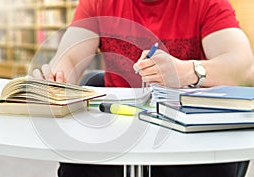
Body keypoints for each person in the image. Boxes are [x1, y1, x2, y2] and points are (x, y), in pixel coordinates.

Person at [33, 0, 254, 176]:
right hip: (116, 129)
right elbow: (71, 57)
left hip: (187, 135)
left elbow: (244, 67)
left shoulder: (207, 3)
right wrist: (58, 76)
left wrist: (186, 71)